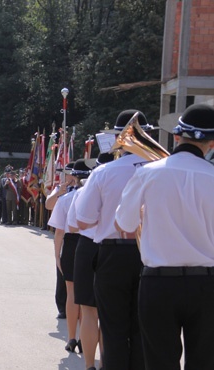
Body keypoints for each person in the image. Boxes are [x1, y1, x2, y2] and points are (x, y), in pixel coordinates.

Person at [116, 103, 214, 370]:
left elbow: (124, 223)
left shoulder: (146, 173)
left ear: (176, 136)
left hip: (158, 283)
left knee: (159, 362)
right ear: (212, 143)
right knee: (204, 363)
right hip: (207, 284)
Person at [75, 110, 155, 370]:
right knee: (144, 329)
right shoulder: (162, 170)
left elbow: (83, 220)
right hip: (151, 255)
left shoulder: (104, 172)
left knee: (112, 329)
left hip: (113, 254)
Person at [67, 153, 113, 370]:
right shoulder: (123, 185)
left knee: (88, 311)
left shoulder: (83, 191)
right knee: (108, 313)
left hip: (86, 247)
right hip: (112, 248)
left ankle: (88, 366)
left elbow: (74, 225)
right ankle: (103, 363)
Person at [47, 161, 81, 355]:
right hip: (74, 240)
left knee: (74, 290)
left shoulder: (74, 195)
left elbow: (60, 231)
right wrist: (59, 191)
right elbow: (48, 203)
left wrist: (57, 254)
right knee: (73, 288)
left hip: (71, 241)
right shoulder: (63, 191)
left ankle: (74, 336)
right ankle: (65, 314)